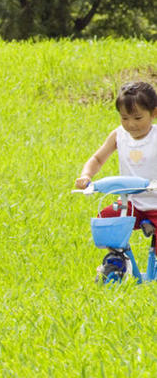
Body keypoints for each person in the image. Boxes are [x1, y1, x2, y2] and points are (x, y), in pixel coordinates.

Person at [75, 81, 157, 267]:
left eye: (137, 118)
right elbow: (97, 159)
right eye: (125, 118)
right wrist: (86, 176)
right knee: (106, 219)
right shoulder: (118, 135)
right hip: (131, 202)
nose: (131, 125)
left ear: (153, 113)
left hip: (156, 203)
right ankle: (120, 259)